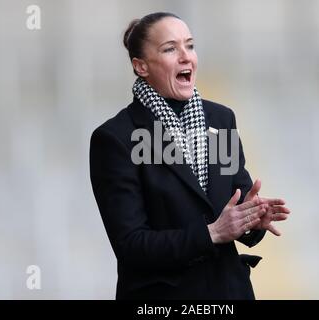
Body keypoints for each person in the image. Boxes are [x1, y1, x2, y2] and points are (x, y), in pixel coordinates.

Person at [89, 12, 290, 300]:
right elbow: (131, 245)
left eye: (190, 46)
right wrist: (211, 233)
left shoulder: (221, 119)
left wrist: (252, 218)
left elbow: (235, 210)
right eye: (170, 49)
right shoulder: (115, 138)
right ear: (141, 66)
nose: (186, 56)